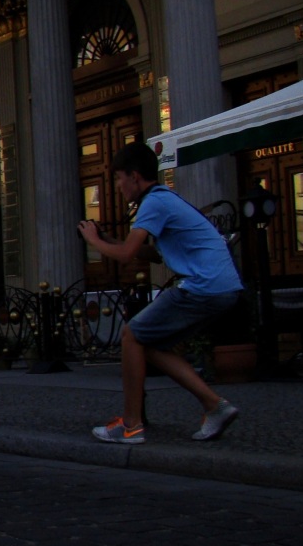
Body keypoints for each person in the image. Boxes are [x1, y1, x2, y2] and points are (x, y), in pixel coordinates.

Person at [77, 141, 243, 444]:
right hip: (222, 287)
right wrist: (110, 238)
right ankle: (214, 406)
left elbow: (126, 255)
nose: (117, 186)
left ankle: (130, 425)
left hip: (202, 286)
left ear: (135, 176)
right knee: (146, 343)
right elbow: (153, 254)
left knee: (130, 334)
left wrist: (92, 240)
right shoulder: (165, 198)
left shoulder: (153, 202)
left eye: (119, 178)